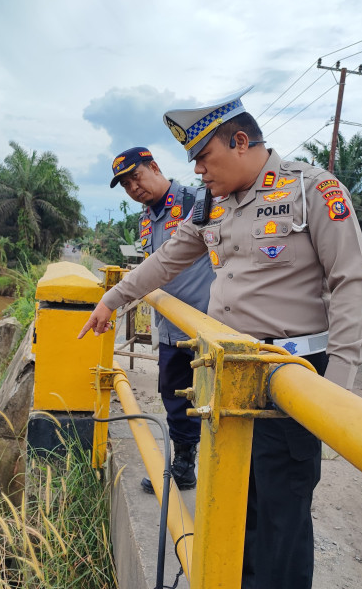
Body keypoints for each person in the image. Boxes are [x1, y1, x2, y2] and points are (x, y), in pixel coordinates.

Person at [80, 87, 362, 588]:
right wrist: (113, 300)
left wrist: (336, 394)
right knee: (240, 502)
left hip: (292, 379)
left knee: (282, 512)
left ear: (240, 142)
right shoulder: (213, 206)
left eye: (205, 158)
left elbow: (349, 285)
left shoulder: (312, 190)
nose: (198, 171)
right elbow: (169, 257)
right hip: (230, 378)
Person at [108, 146, 215, 494]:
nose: (133, 188)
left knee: (214, 401)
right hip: (169, 328)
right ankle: (184, 465)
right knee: (174, 396)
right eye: (125, 185)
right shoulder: (144, 219)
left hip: (207, 326)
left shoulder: (194, 200)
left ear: (154, 167)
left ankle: (221, 471)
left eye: (135, 177)